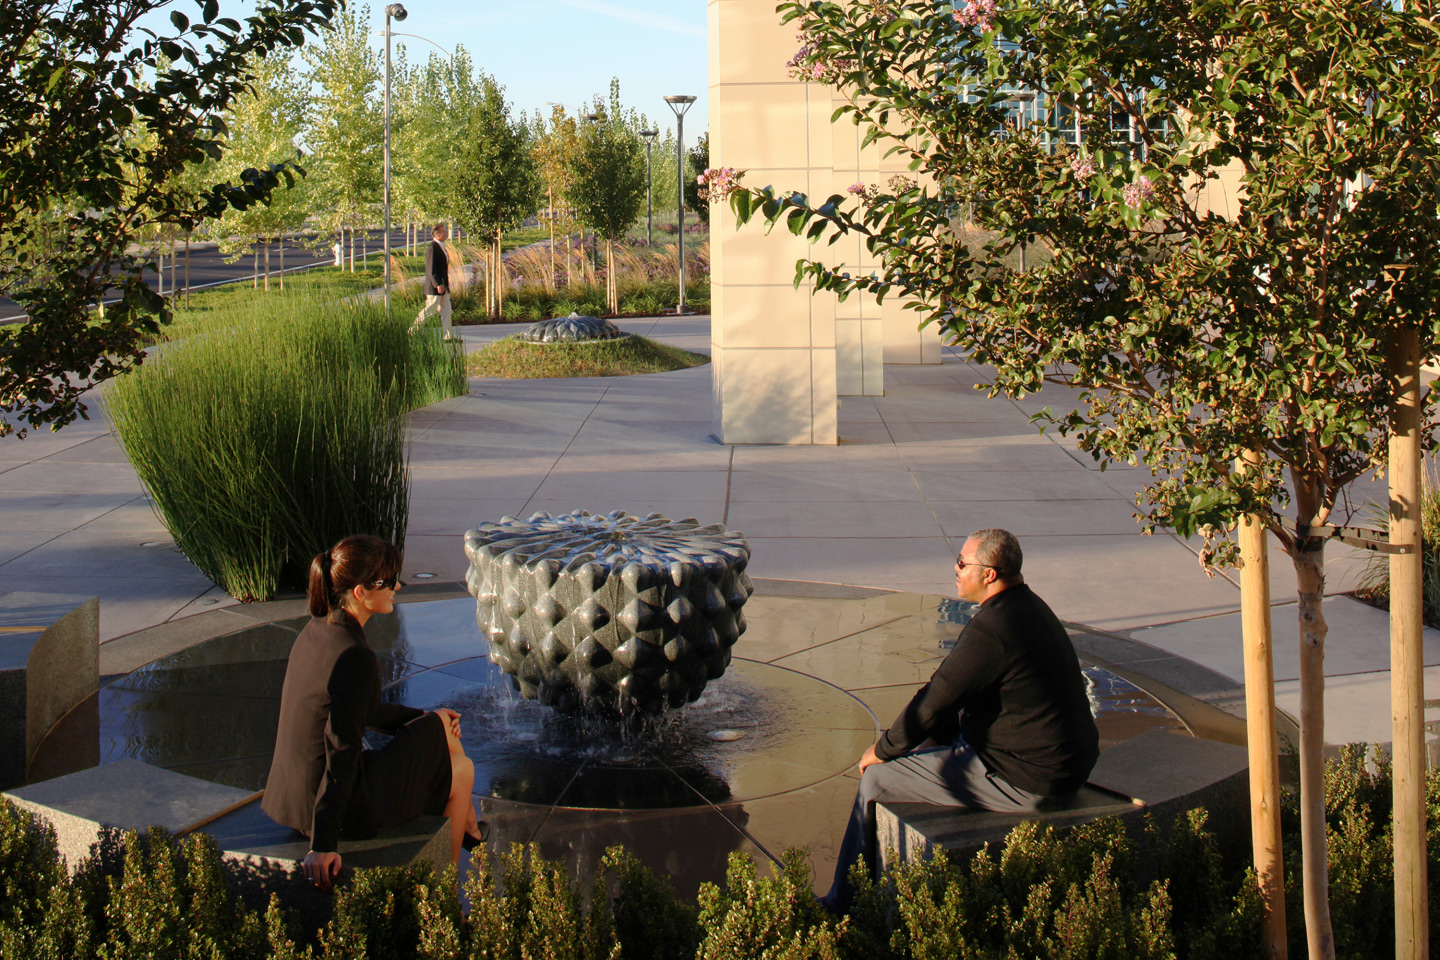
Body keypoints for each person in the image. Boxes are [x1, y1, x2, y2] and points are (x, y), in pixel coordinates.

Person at [821, 528, 1099, 913]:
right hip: (1065, 765)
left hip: (1029, 781)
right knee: (932, 743)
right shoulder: (1029, 608)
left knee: (876, 780)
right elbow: (962, 700)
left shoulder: (993, 629)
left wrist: (882, 751)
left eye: (962, 563)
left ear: (989, 574)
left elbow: (935, 701)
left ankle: (842, 906)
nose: (955, 569)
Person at [262, 534, 485, 892]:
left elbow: (363, 710)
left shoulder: (318, 629)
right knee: (462, 771)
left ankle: (471, 828)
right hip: (329, 807)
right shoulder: (354, 655)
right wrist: (323, 845)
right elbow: (342, 749)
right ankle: (443, 896)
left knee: (444, 733)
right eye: (388, 581)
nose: (397, 586)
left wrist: (425, 716)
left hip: (295, 796)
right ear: (361, 592)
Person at [410, 223, 456, 341]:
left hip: (443, 286)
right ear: (437, 234)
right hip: (435, 287)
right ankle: (412, 331)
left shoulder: (441, 246)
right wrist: (437, 284)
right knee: (430, 309)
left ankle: (448, 336)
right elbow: (430, 270)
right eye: (443, 231)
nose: (446, 233)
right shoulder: (433, 248)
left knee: (447, 311)